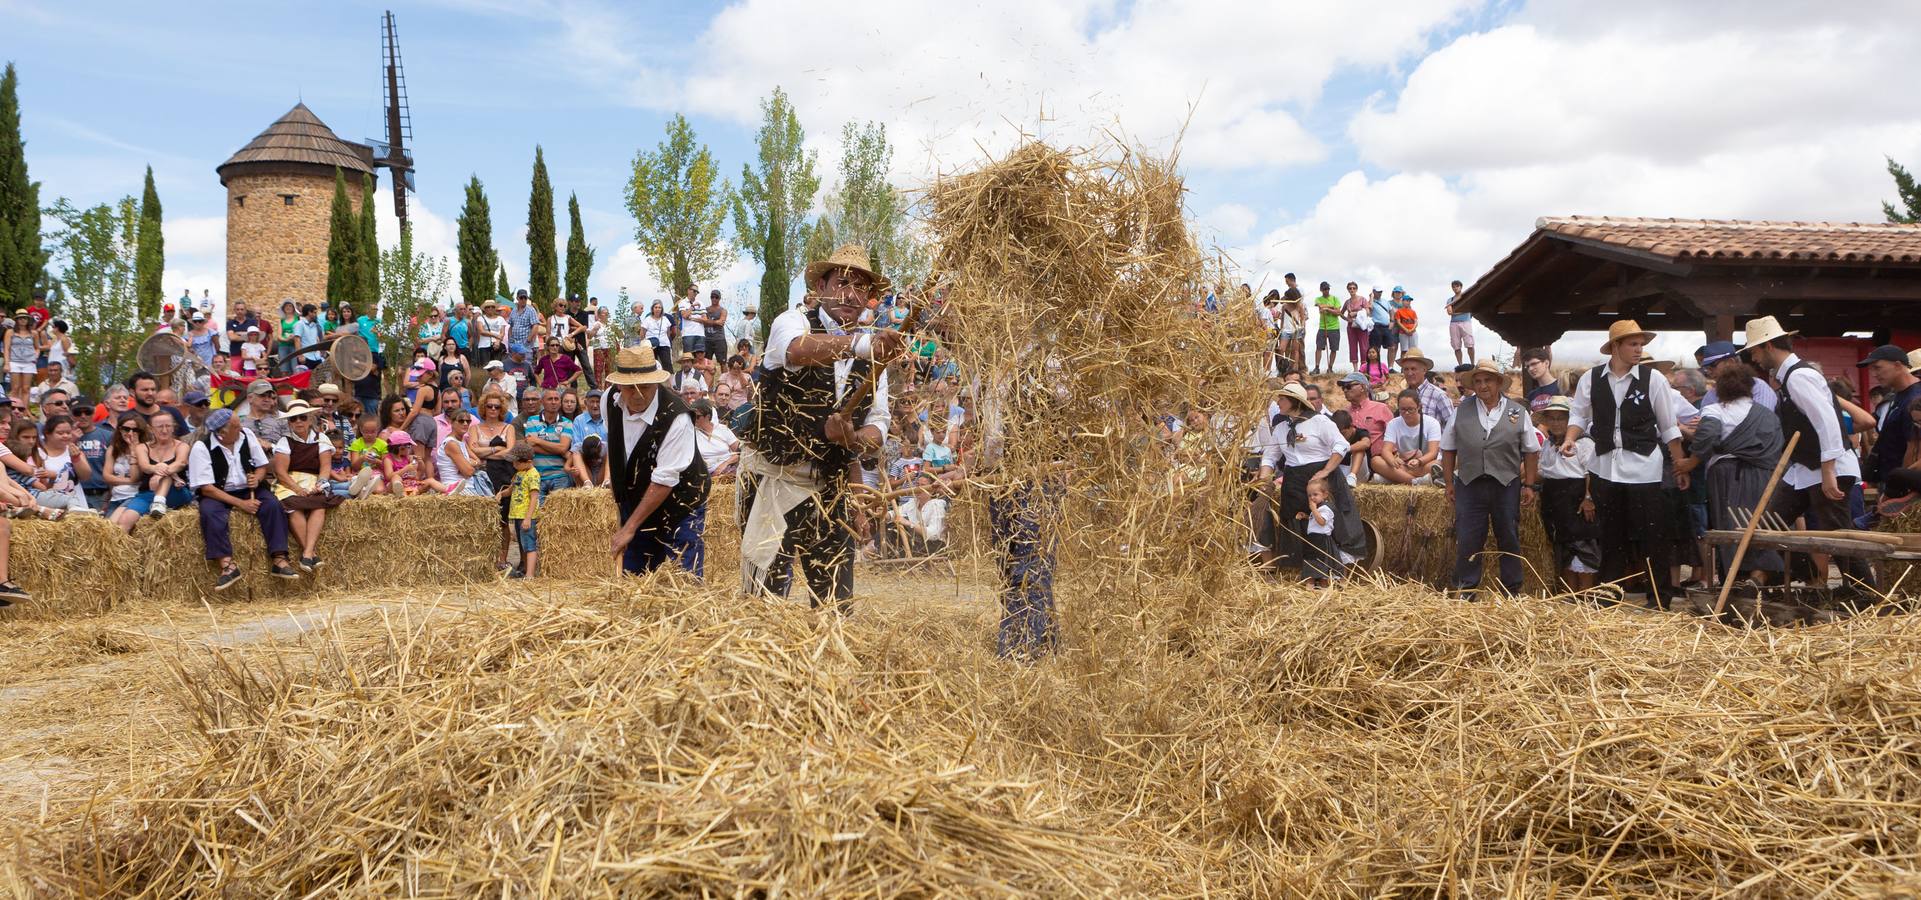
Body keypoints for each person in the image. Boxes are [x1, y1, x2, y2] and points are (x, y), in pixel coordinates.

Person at [738, 244, 904, 608]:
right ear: (821, 288)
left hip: (831, 491)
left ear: (870, 299)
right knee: (764, 605)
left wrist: (852, 437)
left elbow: (877, 429)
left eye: (860, 287)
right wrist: (863, 345)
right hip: (775, 482)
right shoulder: (792, 321)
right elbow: (797, 350)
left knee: (835, 606)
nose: (850, 293)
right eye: (842, 282)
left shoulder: (877, 361)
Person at [1739, 316, 1877, 592]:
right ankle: (1812, 577)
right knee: (1768, 524)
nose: (1753, 357)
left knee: (1837, 534)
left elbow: (1826, 422)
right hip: (1805, 468)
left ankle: (1866, 594)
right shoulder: (1788, 378)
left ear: (1768, 346)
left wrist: (1828, 471)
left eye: (1754, 350)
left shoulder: (1799, 376)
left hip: (1829, 467)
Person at [1563, 320, 1690, 607]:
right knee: (1610, 535)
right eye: (1633, 343)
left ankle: (1659, 597)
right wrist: (1571, 438)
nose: (1639, 348)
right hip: (1605, 466)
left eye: (1641, 344)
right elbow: (1579, 416)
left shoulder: (1653, 379)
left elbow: (1669, 426)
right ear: (1615, 347)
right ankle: (1609, 596)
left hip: (1645, 467)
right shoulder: (1591, 378)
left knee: (1652, 535)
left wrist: (1679, 463)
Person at [602, 347, 710, 576]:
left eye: (646, 386)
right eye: (631, 388)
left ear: (656, 383)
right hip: (637, 501)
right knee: (635, 579)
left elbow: (664, 481)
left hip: (680, 505)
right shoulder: (608, 402)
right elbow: (617, 447)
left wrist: (629, 528)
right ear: (619, 385)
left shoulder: (677, 416)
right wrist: (621, 499)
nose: (639, 394)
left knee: (682, 580)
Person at [1440, 360, 1540, 596]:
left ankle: (1511, 590)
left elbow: (1531, 451)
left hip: (1506, 484)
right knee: (1468, 537)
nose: (1483, 385)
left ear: (1498, 383)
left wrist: (1529, 485)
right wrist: (1448, 483)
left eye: (1487, 380)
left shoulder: (1518, 412)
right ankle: (1466, 588)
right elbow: (1448, 448)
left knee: (1509, 535)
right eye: (1478, 381)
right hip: (1469, 483)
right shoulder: (1460, 411)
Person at [1686, 361, 1784, 581]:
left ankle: (1735, 579)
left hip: (1726, 475)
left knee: (1729, 525)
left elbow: (1706, 436)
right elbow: (1777, 446)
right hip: (1763, 475)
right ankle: (1760, 575)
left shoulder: (1715, 410)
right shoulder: (1767, 415)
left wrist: (1691, 462)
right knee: (1758, 525)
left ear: (1720, 388)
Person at [188, 408, 299, 590]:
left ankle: (279, 559)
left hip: (249, 488)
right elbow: (207, 488)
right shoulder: (201, 448)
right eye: (235, 426)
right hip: (218, 492)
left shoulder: (246, 435)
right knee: (209, 512)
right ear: (222, 433)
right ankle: (228, 566)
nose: (241, 428)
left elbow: (262, 465)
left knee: (272, 505)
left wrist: (258, 477)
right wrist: (242, 504)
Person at [1257, 383, 1348, 570]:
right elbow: (1270, 456)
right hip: (1293, 479)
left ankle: (1328, 567)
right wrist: (1264, 479)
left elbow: (1341, 445)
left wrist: (1327, 470)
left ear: (1294, 401)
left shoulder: (1319, 422)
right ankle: (1301, 566)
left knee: (1322, 520)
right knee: (1295, 518)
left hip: (1319, 477)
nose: (1278, 402)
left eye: (1282, 398)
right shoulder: (1281, 427)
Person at [1533, 397, 1600, 591]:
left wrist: (1589, 499)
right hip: (1556, 500)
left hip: (1577, 499)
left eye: (1561, 418)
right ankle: (1571, 594)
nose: (1556, 423)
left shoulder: (1584, 443)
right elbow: (1543, 472)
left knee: (1583, 546)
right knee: (1565, 548)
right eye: (1551, 418)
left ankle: (1586, 594)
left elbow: (1593, 472)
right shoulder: (1547, 444)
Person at [269, 400, 344, 572]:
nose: (298, 422)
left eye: (302, 417)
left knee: (319, 507)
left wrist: (321, 483)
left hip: (313, 480)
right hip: (290, 482)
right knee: (294, 507)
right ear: (289, 422)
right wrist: (297, 489)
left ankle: (307, 553)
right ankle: (311, 554)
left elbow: (325, 467)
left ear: (309, 419)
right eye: (294, 419)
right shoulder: (284, 441)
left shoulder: (322, 439)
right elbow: (281, 472)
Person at [1860, 344, 1921, 495]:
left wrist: (1903, 486)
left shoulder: (1915, 398)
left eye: (1878, 367)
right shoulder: (1899, 394)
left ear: (1898, 365)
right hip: (1891, 479)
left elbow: (1913, 447)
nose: (1874, 374)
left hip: (1903, 485)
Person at [469, 390, 519, 570]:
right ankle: (484, 558)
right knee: (483, 519)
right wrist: (496, 449)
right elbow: (472, 451)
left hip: (503, 476)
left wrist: (485, 453)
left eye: (497, 407)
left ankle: (502, 558)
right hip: (482, 477)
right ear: (483, 407)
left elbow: (511, 453)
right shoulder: (474, 428)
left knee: (502, 520)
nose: (493, 409)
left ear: (502, 409)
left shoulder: (508, 427)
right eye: (489, 406)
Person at [1372, 389, 1441, 484]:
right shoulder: (1393, 423)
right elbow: (1386, 450)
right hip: (1403, 464)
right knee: (1375, 461)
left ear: (1419, 407)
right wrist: (1392, 460)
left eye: (1410, 409)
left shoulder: (1432, 423)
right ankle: (1415, 481)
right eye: (1403, 409)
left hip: (1423, 463)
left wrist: (1419, 461)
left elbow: (1433, 452)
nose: (1407, 413)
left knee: (1438, 464)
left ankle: (1395, 478)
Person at [30, 414, 95, 512]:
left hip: (76, 501)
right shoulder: (38, 453)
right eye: (60, 433)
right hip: (51, 505)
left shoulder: (74, 451)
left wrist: (76, 459)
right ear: (47, 433)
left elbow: (86, 476)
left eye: (68, 432)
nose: (65, 436)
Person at [521, 388, 576, 499]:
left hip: (560, 476)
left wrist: (538, 441)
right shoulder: (532, 420)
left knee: (558, 514)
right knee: (538, 514)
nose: (554, 402)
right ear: (542, 402)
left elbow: (563, 447)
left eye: (556, 399)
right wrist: (558, 449)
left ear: (560, 403)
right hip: (536, 475)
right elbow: (531, 447)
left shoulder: (567, 423)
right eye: (550, 399)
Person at [505, 443, 542, 578]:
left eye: (516, 462)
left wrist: (528, 518)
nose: (513, 464)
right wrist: (501, 494)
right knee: (522, 545)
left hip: (526, 516)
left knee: (529, 545)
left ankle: (530, 574)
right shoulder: (518, 474)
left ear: (528, 462)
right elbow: (510, 490)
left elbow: (534, 497)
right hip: (517, 514)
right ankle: (526, 569)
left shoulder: (533, 475)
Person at [1398, 348, 1454, 427]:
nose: (1409, 373)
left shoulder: (1439, 395)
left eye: (1413, 369)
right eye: (1406, 369)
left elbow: (1451, 427)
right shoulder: (1403, 396)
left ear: (1424, 370)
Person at [1299, 478, 1338, 587]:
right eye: (1309, 495)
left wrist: (1313, 509)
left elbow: (1321, 522)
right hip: (1313, 539)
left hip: (1322, 540)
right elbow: (1315, 521)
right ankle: (1310, 581)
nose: (1312, 498)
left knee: (1321, 562)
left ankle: (1323, 584)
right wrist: (1306, 516)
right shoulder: (1319, 508)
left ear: (1325, 495)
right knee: (1311, 561)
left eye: (1315, 494)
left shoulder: (1326, 508)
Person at [690, 398, 739, 476]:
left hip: (728, 470)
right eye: (691, 416)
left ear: (708, 417)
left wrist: (725, 464)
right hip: (707, 475)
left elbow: (739, 452)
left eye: (697, 416)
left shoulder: (722, 429)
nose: (693, 419)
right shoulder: (691, 433)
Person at [7, 309, 39, 408]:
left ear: (28, 320)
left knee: (26, 388)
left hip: (29, 362)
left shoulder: (34, 333)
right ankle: (13, 408)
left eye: (25, 318)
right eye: (20, 318)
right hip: (14, 361)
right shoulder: (10, 332)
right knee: (15, 388)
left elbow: (37, 347)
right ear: (17, 320)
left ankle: (24, 410)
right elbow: (7, 348)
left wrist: (36, 356)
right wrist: (7, 363)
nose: (23, 320)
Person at [1312, 281, 1341, 375]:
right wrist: (1331, 307)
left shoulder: (1335, 298)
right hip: (1323, 327)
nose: (1326, 290)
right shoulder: (1318, 299)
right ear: (1321, 290)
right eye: (1324, 289)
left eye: (1328, 288)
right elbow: (1319, 306)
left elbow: (1338, 312)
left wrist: (1328, 308)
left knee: (1334, 348)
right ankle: (1317, 367)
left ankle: (1330, 368)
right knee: (1319, 347)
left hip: (1334, 327)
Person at [1445, 280, 1474, 365]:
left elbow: (1469, 308)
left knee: (1470, 344)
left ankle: (1472, 364)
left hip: (1466, 322)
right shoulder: (1450, 299)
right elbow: (1449, 312)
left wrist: (1456, 310)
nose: (1455, 288)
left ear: (1461, 287)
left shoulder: (1466, 296)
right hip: (1454, 323)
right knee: (1456, 345)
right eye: (1453, 286)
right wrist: (1462, 310)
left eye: (1457, 286)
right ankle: (1460, 365)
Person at [642, 300, 675, 372]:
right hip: (651, 345)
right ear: (652, 309)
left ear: (662, 309)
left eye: (659, 307)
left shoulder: (666, 319)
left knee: (667, 364)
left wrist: (664, 339)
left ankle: (671, 382)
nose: (657, 309)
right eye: (656, 307)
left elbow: (668, 333)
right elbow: (642, 333)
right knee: (651, 365)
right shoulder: (647, 320)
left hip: (664, 344)